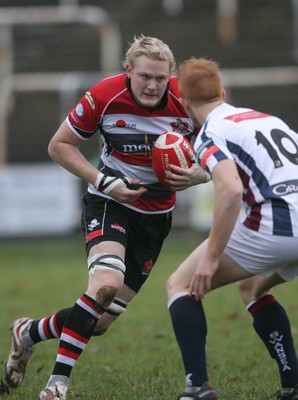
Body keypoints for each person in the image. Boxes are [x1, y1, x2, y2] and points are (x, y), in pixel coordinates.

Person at [4, 36, 208, 400]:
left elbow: (223, 153)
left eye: (161, 78)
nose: (152, 85)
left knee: (98, 323)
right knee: (105, 284)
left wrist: (201, 174)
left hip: (156, 218)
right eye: (145, 76)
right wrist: (103, 181)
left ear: (171, 75)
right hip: (108, 204)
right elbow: (59, 145)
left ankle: (28, 332)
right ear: (128, 70)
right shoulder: (104, 95)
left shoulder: (188, 101)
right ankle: (57, 385)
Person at [166, 57, 298, 400]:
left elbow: (231, 191)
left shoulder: (210, 132)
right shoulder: (267, 119)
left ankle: (197, 387)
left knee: (180, 284)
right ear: (222, 92)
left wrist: (211, 258)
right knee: (252, 288)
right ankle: (292, 384)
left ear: (183, 102)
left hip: (275, 227)